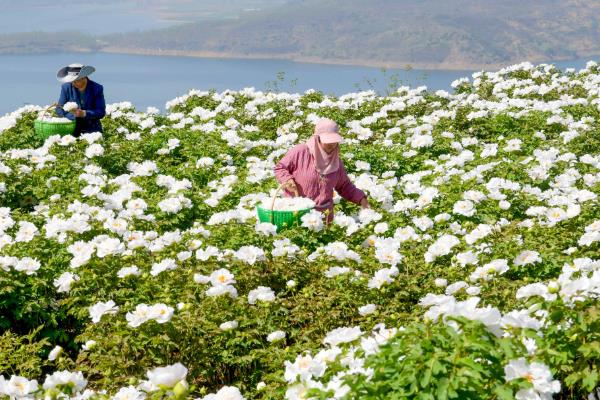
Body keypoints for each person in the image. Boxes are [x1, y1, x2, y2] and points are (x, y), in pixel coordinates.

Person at [274, 118, 369, 221]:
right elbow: (280, 168)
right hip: (297, 214)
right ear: (317, 138)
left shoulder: (336, 162)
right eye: (327, 140)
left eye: (334, 141)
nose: (331, 144)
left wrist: (362, 199)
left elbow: (344, 186)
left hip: (324, 218)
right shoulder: (301, 152)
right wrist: (287, 179)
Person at [55, 63, 106, 136]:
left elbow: (101, 112)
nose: (73, 83)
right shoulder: (66, 87)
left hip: (92, 130)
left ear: (84, 77)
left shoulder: (97, 88)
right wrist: (74, 116)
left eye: (76, 80)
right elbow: (59, 109)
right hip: (71, 130)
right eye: (72, 80)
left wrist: (84, 113)